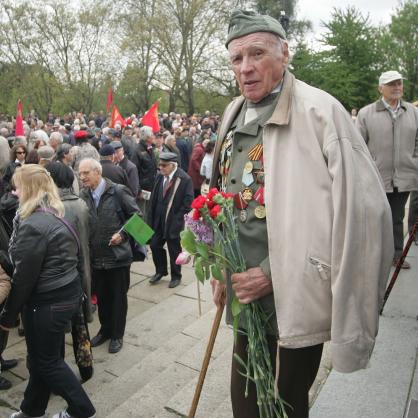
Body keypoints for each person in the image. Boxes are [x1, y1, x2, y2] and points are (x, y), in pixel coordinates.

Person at [210, 10, 393, 418]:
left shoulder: (321, 113)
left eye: (257, 53)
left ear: (285, 53)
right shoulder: (233, 111)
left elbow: (363, 218)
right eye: (236, 59)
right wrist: (219, 267)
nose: (246, 67)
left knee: (284, 405)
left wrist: (272, 272)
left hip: (296, 295)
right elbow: (223, 193)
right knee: (246, 403)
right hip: (244, 294)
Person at [0, 164, 96, 418]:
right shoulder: (52, 211)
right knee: (41, 359)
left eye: (17, 187)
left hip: (47, 302)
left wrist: (8, 318)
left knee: (46, 362)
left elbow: (23, 279)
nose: (14, 193)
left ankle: (81, 409)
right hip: (62, 295)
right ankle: (31, 410)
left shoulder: (33, 223)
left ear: (29, 188)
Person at [356, 70, 418, 268]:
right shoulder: (367, 113)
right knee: (376, 218)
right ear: (380, 88)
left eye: (399, 83)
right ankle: (374, 256)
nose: (397, 87)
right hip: (376, 177)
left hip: (405, 176)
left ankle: (397, 255)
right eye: (392, 84)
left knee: (397, 217)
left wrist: (414, 161)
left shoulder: (413, 112)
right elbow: (358, 146)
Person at [79, 158, 140, 354]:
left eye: (85, 173)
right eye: (80, 174)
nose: (82, 178)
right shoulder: (83, 195)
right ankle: (105, 330)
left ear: (97, 172)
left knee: (118, 298)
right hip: (96, 258)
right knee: (102, 298)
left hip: (117, 258)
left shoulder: (118, 191)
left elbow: (138, 218)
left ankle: (117, 335)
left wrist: (123, 235)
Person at [148, 152, 193, 288]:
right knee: (154, 245)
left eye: (164, 165)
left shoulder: (184, 179)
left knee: (174, 249)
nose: (160, 168)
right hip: (158, 219)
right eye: (159, 165)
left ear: (172, 166)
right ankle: (160, 271)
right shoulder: (160, 176)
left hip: (173, 221)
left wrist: (178, 217)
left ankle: (176, 276)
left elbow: (188, 203)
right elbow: (154, 197)